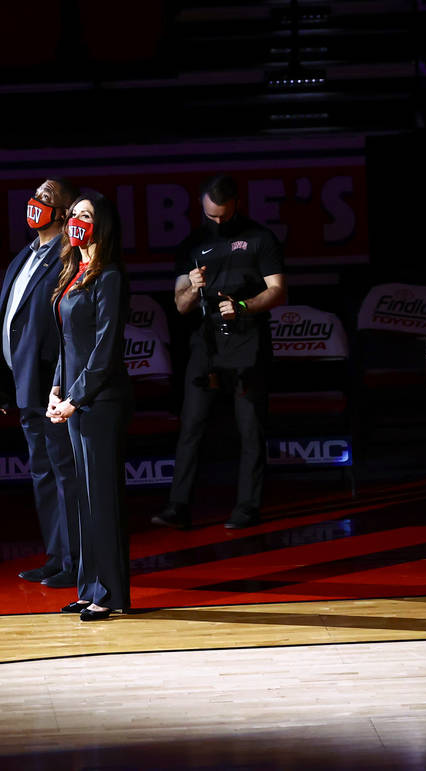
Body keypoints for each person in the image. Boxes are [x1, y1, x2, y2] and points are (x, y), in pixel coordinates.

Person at [152, 175, 286, 530]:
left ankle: (247, 506)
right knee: (191, 426)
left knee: (250, 428)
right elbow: (180, 305)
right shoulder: (192, 245)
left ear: (236, 204)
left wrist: (242, 306)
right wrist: (192, 289)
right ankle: (178, 506)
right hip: (205, 346)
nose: (217, 222)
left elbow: (277, 290)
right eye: (211, 216)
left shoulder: (261, 238)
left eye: (223, 216)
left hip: (248, 343)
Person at [0, 178, 82, 589]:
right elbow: (10, 321)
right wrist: (6, 382)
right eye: (36, 195)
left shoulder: (67, 257)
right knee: (42, 473)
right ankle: (55, 558)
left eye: (47, 198)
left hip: (50, 386)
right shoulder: (25, 255)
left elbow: (67, 328)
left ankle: (75, 563)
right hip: (25, 383)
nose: (36, 202)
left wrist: (60, 383)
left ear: (63, 213)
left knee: (63, 472)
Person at [46, 192, 132, 621]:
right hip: (75, 401)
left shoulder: (110, 276)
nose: (77, 220)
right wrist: (56, 390)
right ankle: (87, 586)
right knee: (83, 500)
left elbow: (105, 349)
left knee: (102, 500)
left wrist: (76, 399)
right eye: (74, 213)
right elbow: (66, 343)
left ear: (102, 225)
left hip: (100, 402)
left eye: (86, 214)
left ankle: (110, 592)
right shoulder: (73, 272)